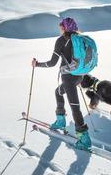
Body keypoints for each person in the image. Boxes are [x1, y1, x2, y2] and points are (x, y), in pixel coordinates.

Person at [32, 17, 91, 150]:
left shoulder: (61, 40)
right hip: (79, 76)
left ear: (64, 28)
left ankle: (84, 139)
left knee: (75, 107)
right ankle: (60, 121)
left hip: (69, 78)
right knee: (58, 92)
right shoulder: (80, 39)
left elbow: (52, 63)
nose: (60, 30)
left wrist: (38, 64)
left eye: (61, 27)